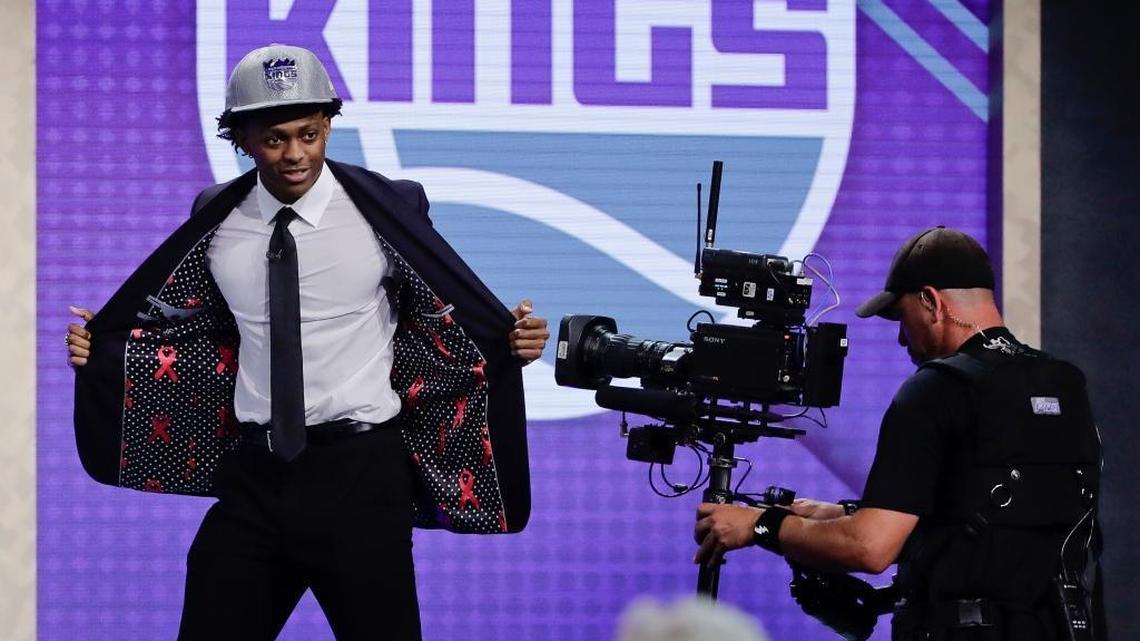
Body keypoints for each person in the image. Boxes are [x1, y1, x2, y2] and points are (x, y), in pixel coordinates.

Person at [65, 44, 549, 641]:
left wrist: (511, 342)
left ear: (327, 127)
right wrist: (105, 351)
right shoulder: (215, 216)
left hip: (363, 478)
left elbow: (443, 315)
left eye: (310, 134)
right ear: (241, 138)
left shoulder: (391, 207)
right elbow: (182, 331)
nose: (296, 154)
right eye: (274, 138)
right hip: (255, 477)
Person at [693, 227, 1104, 640]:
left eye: (902, 317)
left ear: (931, 301)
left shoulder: (937, 389)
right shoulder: (1065, 384)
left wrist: (762, 525)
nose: (900, 337)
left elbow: (869, 548)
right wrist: (838, 514)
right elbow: (988, 521)